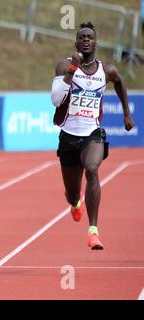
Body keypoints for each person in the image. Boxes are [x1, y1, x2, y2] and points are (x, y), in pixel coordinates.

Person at [51, 22, 134, 250]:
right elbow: (56, 100)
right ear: (76, 43)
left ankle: (93, 232)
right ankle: (75, 202)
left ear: (95, 43)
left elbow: (119, 83)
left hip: (92, 134)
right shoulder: (64, 66)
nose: (86, 40)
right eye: (82, 37)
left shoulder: (106, 71)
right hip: (68, 136)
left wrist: (126, 113)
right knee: (71, 194)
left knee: (92, 169)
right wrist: (72, 70)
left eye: (90, 37)